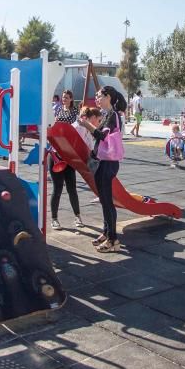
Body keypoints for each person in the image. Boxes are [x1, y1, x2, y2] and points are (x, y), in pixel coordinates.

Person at [77, 86, 127, 253]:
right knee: (104, 201)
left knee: (107, 202)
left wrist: (87, 125)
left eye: (99, 96)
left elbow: (102, 136)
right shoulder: (107, 115)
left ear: (108, 97)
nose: (96, 99)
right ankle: (107, 233)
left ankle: (113, 240)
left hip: (108, 162)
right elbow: (100, 136)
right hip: (104, 161)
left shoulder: (113, 115)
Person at [51, 91, 84, 230]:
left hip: (69, 153)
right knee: (57, 188)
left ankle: (77, 216)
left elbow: (76, 129)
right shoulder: (57, 109)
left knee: (72, 188)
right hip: (57, 152)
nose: (64, 99)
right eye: (63, 97)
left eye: (66, 97)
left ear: (71, 99)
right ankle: (54, 218)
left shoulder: (75, 112)